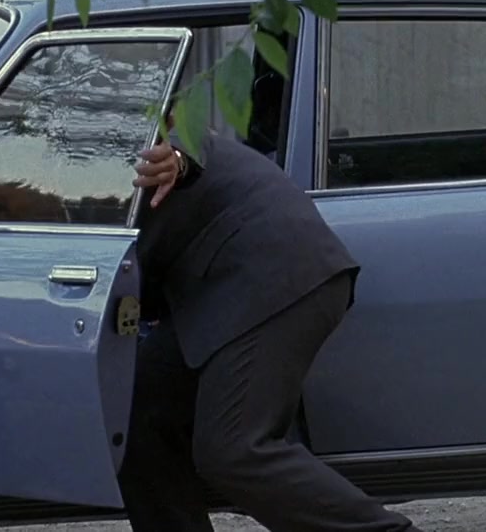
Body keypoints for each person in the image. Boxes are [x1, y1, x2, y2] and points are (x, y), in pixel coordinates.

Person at [119, 118, 422, 532]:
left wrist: (177, 160)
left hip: (271, 270)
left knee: (235, 449)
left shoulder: (138, 136)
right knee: (137, 412)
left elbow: (181, 151)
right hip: (214, 294)